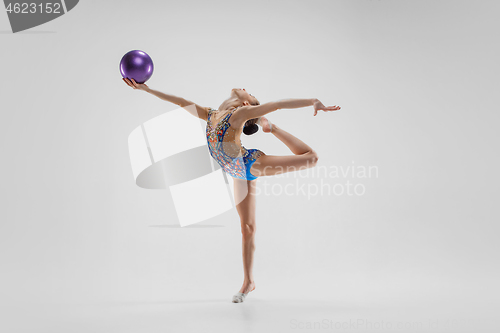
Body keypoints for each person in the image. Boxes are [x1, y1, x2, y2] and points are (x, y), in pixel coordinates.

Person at [123, 78, 341, 303]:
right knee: (247, 229)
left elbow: (277, 104)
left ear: (247, 105)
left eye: (250, 93)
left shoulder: (237, 116)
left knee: (311, 158)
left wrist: (313, 101)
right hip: (236, 172)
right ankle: (248, 283)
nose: (245, 88)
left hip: (249, 163)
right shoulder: (210, 114)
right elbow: (181, 102)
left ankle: (272, 128)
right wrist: (147, 90)